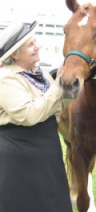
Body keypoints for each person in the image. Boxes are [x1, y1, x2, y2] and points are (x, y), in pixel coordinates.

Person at [0, 21, 72, 212]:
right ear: (14, 54)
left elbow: (56, 108)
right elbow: (29, 114)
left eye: (35, 41)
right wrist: (57, 87)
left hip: (47, 155)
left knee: (53, 203)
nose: (37, 46)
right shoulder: (6, 78)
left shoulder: (42, 75)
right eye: (30, 44)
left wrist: (70, 87)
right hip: (21, 159)